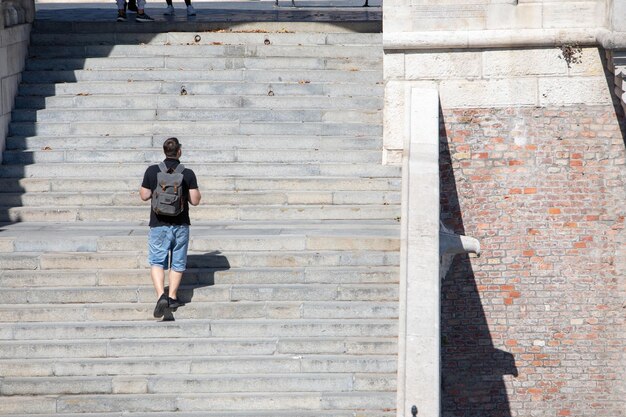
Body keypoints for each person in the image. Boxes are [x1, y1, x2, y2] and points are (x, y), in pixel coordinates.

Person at [140, 137, 201, 319]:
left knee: (157, 261)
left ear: (164, 151)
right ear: (179, 152)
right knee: (178, 262)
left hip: (158, 224)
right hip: (180, 224)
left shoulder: (152, 171)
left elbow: (144, 196)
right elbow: (195, 200)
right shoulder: (187, 173)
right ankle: (172, 296)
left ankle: (161, 296)